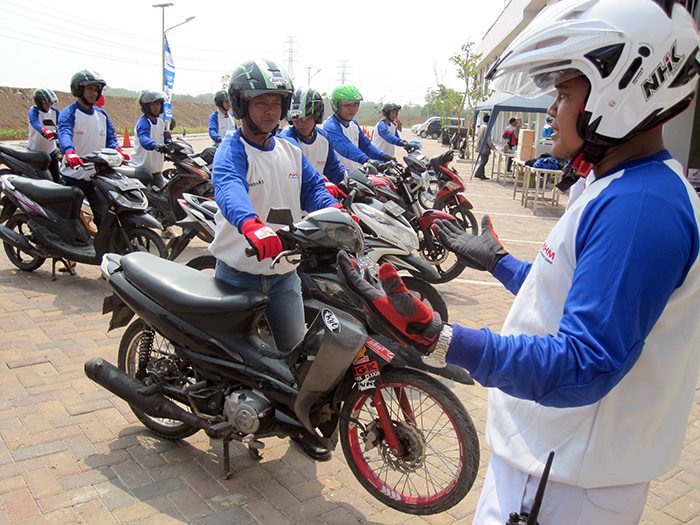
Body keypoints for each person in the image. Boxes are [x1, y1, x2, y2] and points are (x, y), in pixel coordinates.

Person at [338, 0, 700, 522]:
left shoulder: (640, 209)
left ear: (622, 89)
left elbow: (584, 363)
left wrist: (443, 339)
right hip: (555, 461)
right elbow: (576, 298)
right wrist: (502, 263)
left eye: (564, 92)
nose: (551, 110)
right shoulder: (618, 186)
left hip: (565, 479)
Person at [208, 60, 340, 461]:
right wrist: (252, 225)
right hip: (238, 274)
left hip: (284, 274)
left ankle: (298, 426)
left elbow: (314, 190)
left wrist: (336, 211)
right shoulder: (231, 150)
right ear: (240, 105)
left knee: (297, 358)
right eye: (260, 101)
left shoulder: (289, 149)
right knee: (228, 361)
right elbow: (229, 188)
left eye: (276, 102)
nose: (270, 110)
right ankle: (224, 415)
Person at [58, 70, 128, 228]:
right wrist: (69, 152)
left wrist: (119, 150)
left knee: (104, 218)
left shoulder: (102, 114)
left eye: (96, 89)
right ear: (78, 90)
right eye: (89, 89)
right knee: (69, 222)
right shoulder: (69, 114)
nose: (93, 93)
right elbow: (64, 134)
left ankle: (103, 250)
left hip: (96, 178)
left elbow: (110, 138)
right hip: (73, 177)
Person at [278, 86, 347, 199]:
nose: (301, 123)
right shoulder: (285, 141)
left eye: (307, 118)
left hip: (316, 203)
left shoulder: (324, 138)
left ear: (317, 116)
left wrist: (354, 179)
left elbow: (333, 169)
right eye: (297, 118)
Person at [322, 85, 394, 171]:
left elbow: (366, 146)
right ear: (336, 105)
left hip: (352, 177)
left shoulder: (354, 124)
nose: (352, 109)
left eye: (355, 105)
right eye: (347, 105)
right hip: (333, 180)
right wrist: (366, 160)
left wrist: (384, 156)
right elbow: (344, 146)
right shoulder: (330, 126)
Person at [130, 89, 171, 189]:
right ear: (147, 106)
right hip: (141, 169)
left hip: (156, 171)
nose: (156, 107)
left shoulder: (161, 122)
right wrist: (155, 146)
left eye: (158, 104)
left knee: (162, 198)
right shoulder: (144, 122)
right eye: (153, 104)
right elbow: (144, 139)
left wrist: (170, 145)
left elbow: (165, 139)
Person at [27, 88, 61, 183]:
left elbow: (61, 123)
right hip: (35, 151)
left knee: (56, 178)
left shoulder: (54, 111)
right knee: (36, 179)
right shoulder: (33, 111)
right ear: (39, 102)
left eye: (50, 103)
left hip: (51, 151)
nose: (48, 105)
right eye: (46, 103)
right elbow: (35, 122)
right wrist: (44, 131)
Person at [473, 114, 494, 180]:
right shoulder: (486, 127)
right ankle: (478, 173)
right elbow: (488, 139)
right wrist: (492, 147)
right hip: (485, 147)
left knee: (483, 160)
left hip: (480, 146)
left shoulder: (482, 126)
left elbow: (477, 134)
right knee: (484, 160)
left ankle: (482, 174)